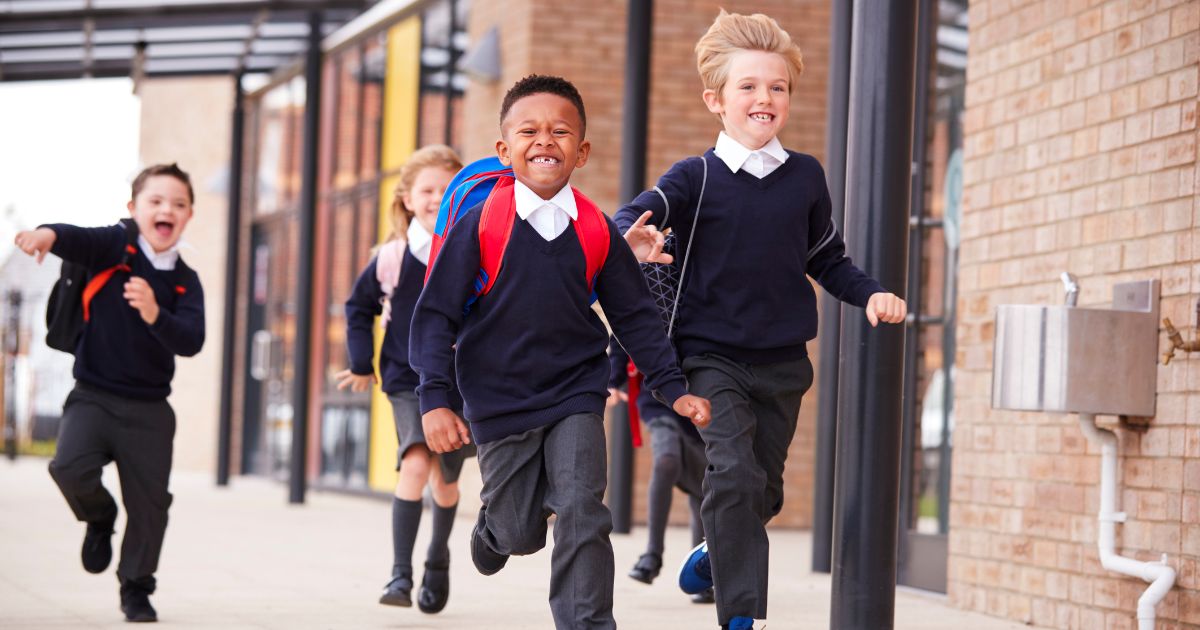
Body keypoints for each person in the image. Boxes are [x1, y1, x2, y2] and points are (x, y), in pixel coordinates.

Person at [616, 12, 908, 630]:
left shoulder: (805, 176)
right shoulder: (693, 176)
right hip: (709, 358)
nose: (764, 98)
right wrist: (628, 238)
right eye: (748, 86)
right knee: (736, 472)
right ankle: (741, 617)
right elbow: (634, 215)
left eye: (777, 87)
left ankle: (710, 549)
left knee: (763, 490)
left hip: (782, 362)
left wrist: (871, 294)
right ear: (715, 101)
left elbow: (826, 258)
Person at [410, 74, 711, 629]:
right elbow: (434, 316)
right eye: (529, 130)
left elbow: (635, 317)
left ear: (582, 151)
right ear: (505, 150)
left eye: (561, 131)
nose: (545, 140)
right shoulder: (482, 223)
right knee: (521, 531)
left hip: (576, 389)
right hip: (498, 398)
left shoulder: (595, 228)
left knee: (582, 508)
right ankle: (494, 530)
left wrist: (673, 388)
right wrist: (434, 399)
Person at [14, 163, 206, 623]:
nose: (166, 210)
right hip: (93, 396)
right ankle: (100, 518)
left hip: (150, 409)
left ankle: (136, 588)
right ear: (133, 209)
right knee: (68, 467)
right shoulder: (113, 247)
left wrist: (156, 313)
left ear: (189, 215)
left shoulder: (186, 280)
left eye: (178, 204)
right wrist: (46, 234)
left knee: (151, 506)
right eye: (155, 201)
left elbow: (192, 341)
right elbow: (75, 237)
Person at [335, 145, 470, 613]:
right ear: (408, 198)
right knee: (415, 461)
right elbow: (358, 309)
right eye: (427, 190)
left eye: (447, 189)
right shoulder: (392, 257)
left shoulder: (472, 249)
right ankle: (400, 574)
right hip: (406, 378)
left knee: (445, 481)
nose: (437, 198)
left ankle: (437, 558)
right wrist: (359, 362)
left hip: (461, 383)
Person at [607, 341, 712, 604]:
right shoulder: (648, 297)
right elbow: (626, 329)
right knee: (666, 460)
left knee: (703, 482)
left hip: (703, 392)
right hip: (656, 391)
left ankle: (700, 571)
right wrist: (613, 379)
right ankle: (652, 555)